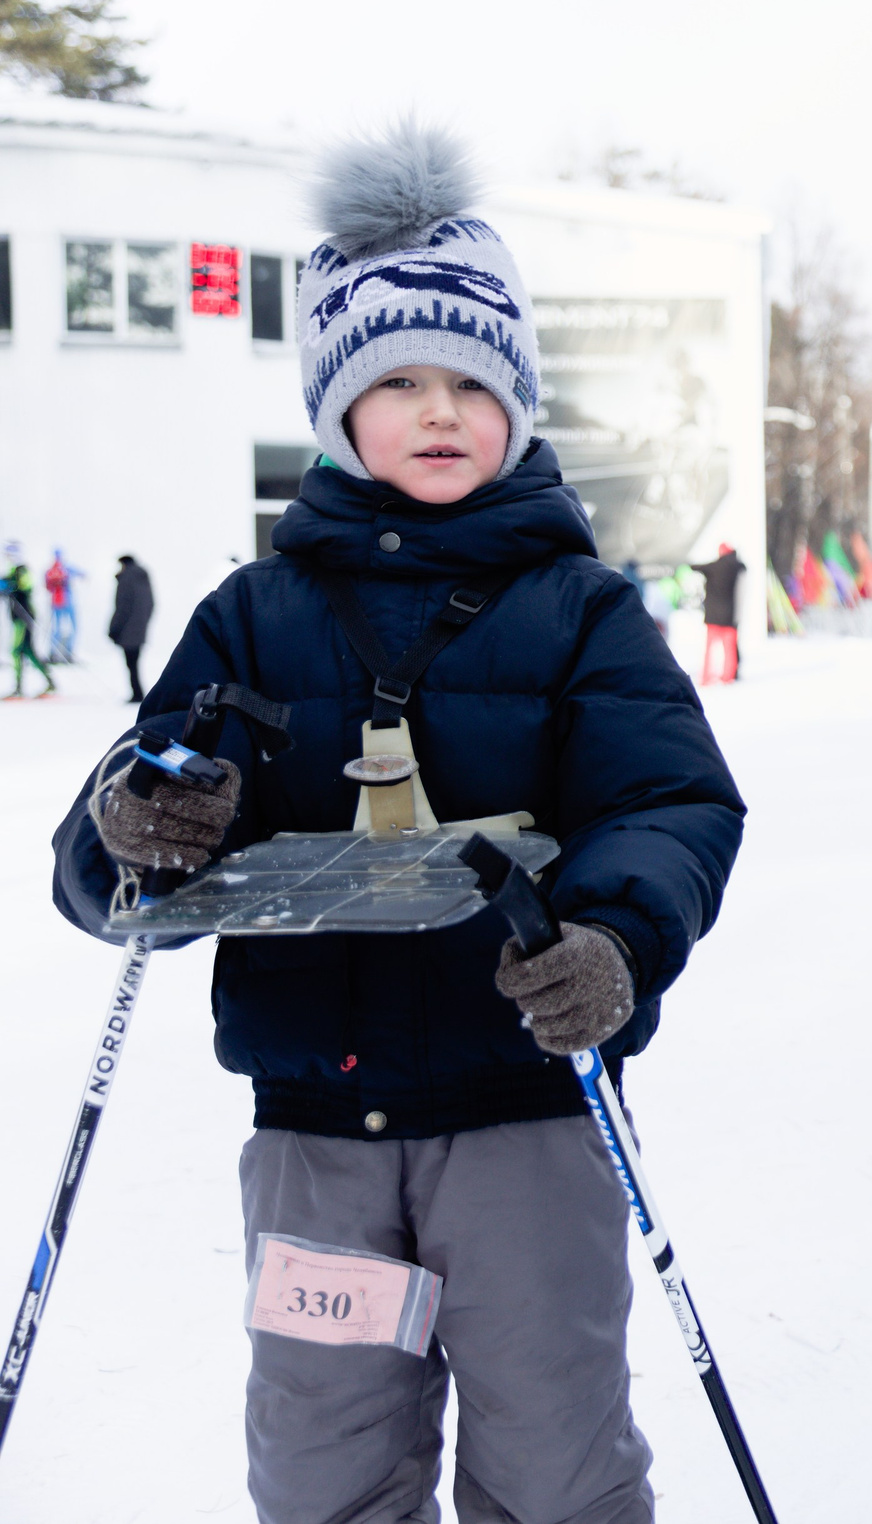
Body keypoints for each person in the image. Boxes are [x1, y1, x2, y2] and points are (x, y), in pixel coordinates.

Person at [49, 121, 745, 1523]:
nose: (442, 412)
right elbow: (104, 856)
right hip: (317, 1136)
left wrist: (615, 939)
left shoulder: (583, 609)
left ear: (520, 404)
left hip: (528, 1114)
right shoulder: (252, 613)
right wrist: (144, 826)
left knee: (553, 1454)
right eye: (400, 381)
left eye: (474, 384)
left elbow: (668, 801)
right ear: (336, 408)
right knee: (325, 1465)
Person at [4, 546, 56, 699]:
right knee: (27, 651)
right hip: (18, 616)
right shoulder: (12, 572)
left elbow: (26, 586)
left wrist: (12, 587)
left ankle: (19, 687)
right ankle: (50, 682)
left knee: (16, 650)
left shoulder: (22, 570)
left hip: (24, 617)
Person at [691, 541, 744, 683]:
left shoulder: (713, 566)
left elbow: (696, 567)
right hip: (729, 615)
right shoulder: (737, 567)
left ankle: (706, 677)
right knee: (730, 649)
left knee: (709, 650)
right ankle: (728, 676)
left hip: (713, 615)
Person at [107, 553, 154, 702]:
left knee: (131, 664)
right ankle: (137, 692)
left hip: (127, 631)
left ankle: (137, 693)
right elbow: (151, 604)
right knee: (134, 664)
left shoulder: (127, 579)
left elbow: (122, 607)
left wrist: (114, 629)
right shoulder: (143, 578)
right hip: (139, 629)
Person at [43, 548, 83, 663]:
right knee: (71, 627)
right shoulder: (66, 569)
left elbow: (47, 586)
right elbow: (82, 574)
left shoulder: (50, 571)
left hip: (56, 602)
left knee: (56, 628)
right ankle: (67, 653)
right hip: (66, 601)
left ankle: (54, 653)